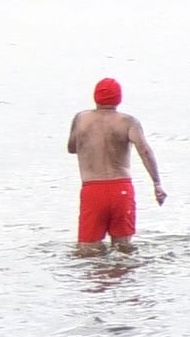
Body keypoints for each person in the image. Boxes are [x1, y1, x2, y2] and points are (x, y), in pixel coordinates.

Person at [66, 78, 166, 250]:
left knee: (87, 250)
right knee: (123, 249)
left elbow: (72, 148)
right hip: (121, 189)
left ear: (95, 96)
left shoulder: (81, 119)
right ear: (118, 98)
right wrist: (157, 183)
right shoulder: (128, 122)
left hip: (93, 190)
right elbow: (145, 151)